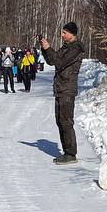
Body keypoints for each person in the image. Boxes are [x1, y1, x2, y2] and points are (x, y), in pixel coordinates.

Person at [40, 22, 84, 164]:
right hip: (60, 88)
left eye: (65, 32)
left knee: (66, 121)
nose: (62, 35)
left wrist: (49, 48)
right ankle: (67, 152)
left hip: (67, 88)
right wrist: (45, 49)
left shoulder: (76, 48)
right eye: (62, 32)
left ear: (72, 33)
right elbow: (52, 61)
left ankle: (71, 154)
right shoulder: (66, 47)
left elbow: (60, 62)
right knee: (60, 121)